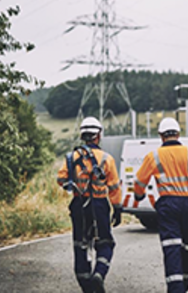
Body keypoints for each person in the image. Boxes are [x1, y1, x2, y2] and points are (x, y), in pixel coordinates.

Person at [134, 117, 188, 293]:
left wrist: (139, 195)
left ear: (161, 136)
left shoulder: (153, 156)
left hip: (168, 205)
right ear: (178, 134)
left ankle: (175, 289)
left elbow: (139, 180)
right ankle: (185, 283)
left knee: (171, 249)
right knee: (187, 247)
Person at [57, 117, 122, 293]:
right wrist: (117, 208)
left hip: (79, 205)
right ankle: (99, 275)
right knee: (105, 243)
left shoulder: (72, 157)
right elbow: (114, 186)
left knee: (81, 244)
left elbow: (61, 179)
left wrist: (76, 178)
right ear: (98, 135)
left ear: (83, 135)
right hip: (99, 206)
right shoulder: (107, 159)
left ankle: (86, 285)